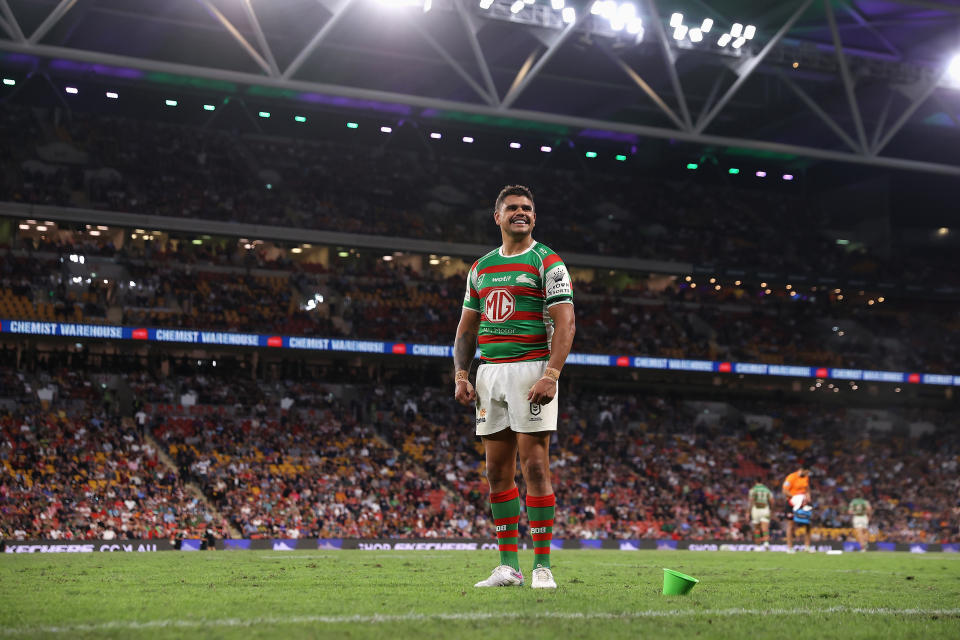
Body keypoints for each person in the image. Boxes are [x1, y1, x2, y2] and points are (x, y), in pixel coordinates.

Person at [453, 185, 575, 590]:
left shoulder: (548, 261)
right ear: (498, 217)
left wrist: (552, 374)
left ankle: (542, 565)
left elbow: (565, 322)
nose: (520, 213)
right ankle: (508, 566)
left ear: (534, 218)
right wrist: (460, 374)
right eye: (512, 208)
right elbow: (466, 331)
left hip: (531, 368)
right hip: (490, 373)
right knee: (496, 471)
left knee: (536, 466)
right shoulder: (480, 268)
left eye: (526, 208)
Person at [782, 465, 811, 553]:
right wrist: (795, 497)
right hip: (792, 503)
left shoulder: (806, 477)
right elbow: (784, 490)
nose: (807, 474)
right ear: (801, 470)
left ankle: (807, 547)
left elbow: (807, 488)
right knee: (791, 524)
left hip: (803, 503)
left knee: (808, 524)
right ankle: (790, 548)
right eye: (806, 472)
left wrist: (808, 497)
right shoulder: (791, 477)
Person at [748, 481, 773, 550]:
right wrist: (771, 509)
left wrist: (748, 512)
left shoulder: (753, 489)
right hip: (765, 508)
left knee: (757, 528)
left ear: (755, 482)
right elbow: (771, 500)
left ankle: (758, 546)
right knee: (765, 528)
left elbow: (751, 500)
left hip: (756, 509)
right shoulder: (767, 489)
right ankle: (766, 543)